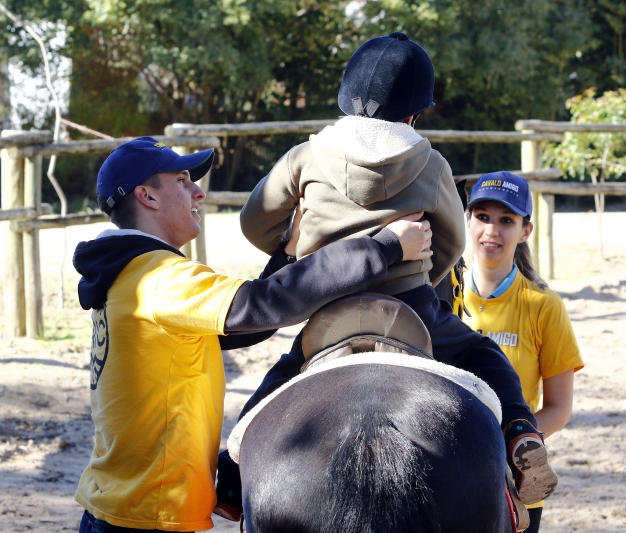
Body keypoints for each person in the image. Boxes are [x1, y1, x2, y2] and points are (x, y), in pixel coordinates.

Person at [219, 32, 558, 516]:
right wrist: (418, 272)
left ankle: (231, 480)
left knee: (283, 378)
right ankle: (522, 432)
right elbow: (451, 243)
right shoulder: (430, 161)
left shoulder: (305, 156)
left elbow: (255, 223)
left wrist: (294, 247)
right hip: (411, 301)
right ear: (416, 112)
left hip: (325, 302)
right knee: (482, 352)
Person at [72, 136, 432, 533]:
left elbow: (243, 326)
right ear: (147, 196)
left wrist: (288, 253)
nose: (199, 191)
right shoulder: (159, 279)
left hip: (122, 503)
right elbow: (262, 304)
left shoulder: (129, 275)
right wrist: (385, 249)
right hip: (146, 515)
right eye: (181, 181)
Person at [461, 171, 585, 532]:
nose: (492, 231)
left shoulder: (543, 306)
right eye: (482, 217)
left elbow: (559, 409)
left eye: (506, 221)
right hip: (447, 467)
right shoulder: (442, 297)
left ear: (525, 230)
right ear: (467, 220)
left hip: (515, 479)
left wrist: (505, 444)